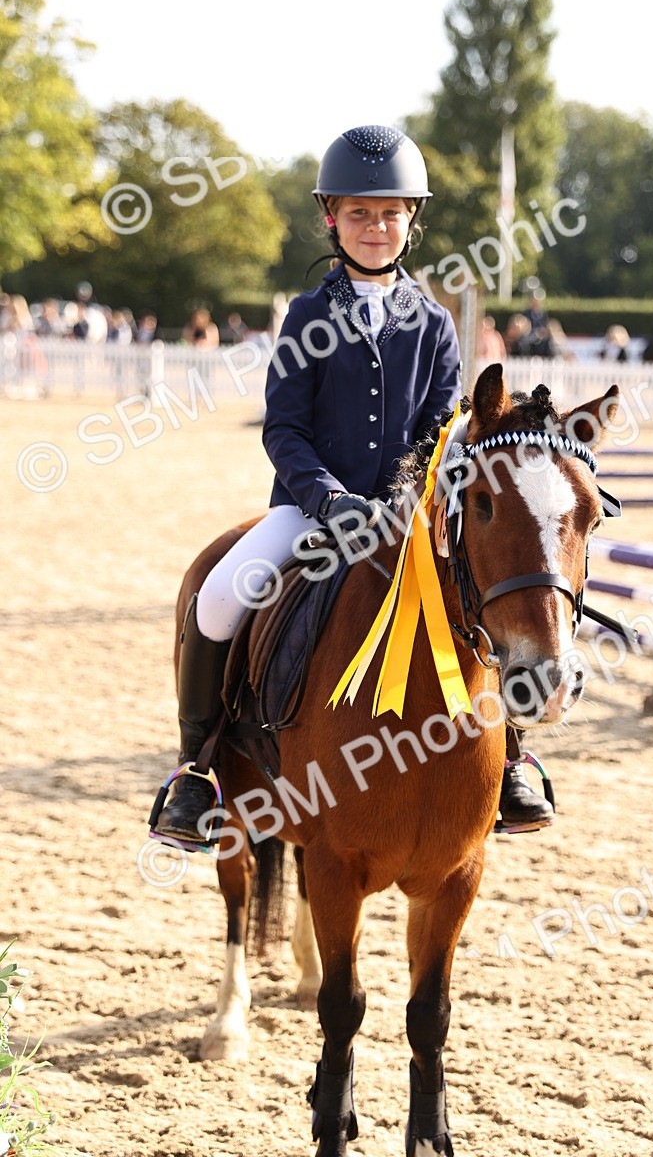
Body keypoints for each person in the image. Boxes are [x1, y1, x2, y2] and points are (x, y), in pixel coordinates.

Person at [152, 124, 553, 846]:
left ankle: (515, 758)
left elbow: (441, 426)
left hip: (409, 522)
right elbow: (285, 431)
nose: (376, 227)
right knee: (217, 598)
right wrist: (331, 499)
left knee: (490, 591)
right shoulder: (307, 316)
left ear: (411, 223)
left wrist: (407, 504)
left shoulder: (432, 324)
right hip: (310, 513)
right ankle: (196, 772)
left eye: (391, 213)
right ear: (332, 218)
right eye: (360, 213)